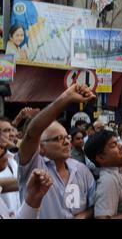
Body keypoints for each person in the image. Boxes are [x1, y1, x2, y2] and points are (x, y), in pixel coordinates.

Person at [17, 84, 97, 219]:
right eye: (58, 138)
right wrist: (65, 98)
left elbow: (95, 205)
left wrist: (84, 215)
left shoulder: (82, 170)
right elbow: (32, 133)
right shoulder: (33, 168)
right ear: (41, 147)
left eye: (67, 137)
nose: (66, 142)